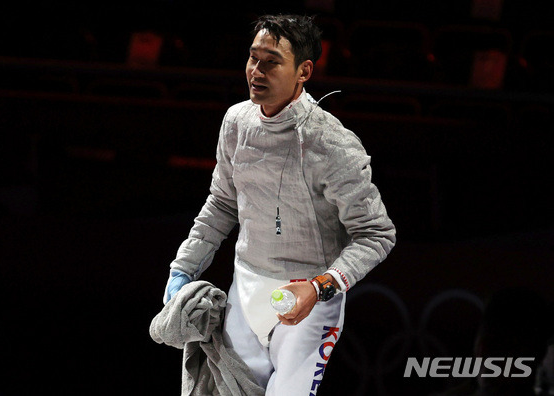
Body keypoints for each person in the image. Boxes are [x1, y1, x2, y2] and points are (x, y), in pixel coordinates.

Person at [163, 14, 396, 395]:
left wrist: (321, 287)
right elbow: (223, 203)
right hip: (245, 290)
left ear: (303, 71)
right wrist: (183, 268)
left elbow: (376, 234)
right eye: (253, 58)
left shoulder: (332, 143)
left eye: (271, 61)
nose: (257, 70)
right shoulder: (236, 122)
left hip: (309, 303)